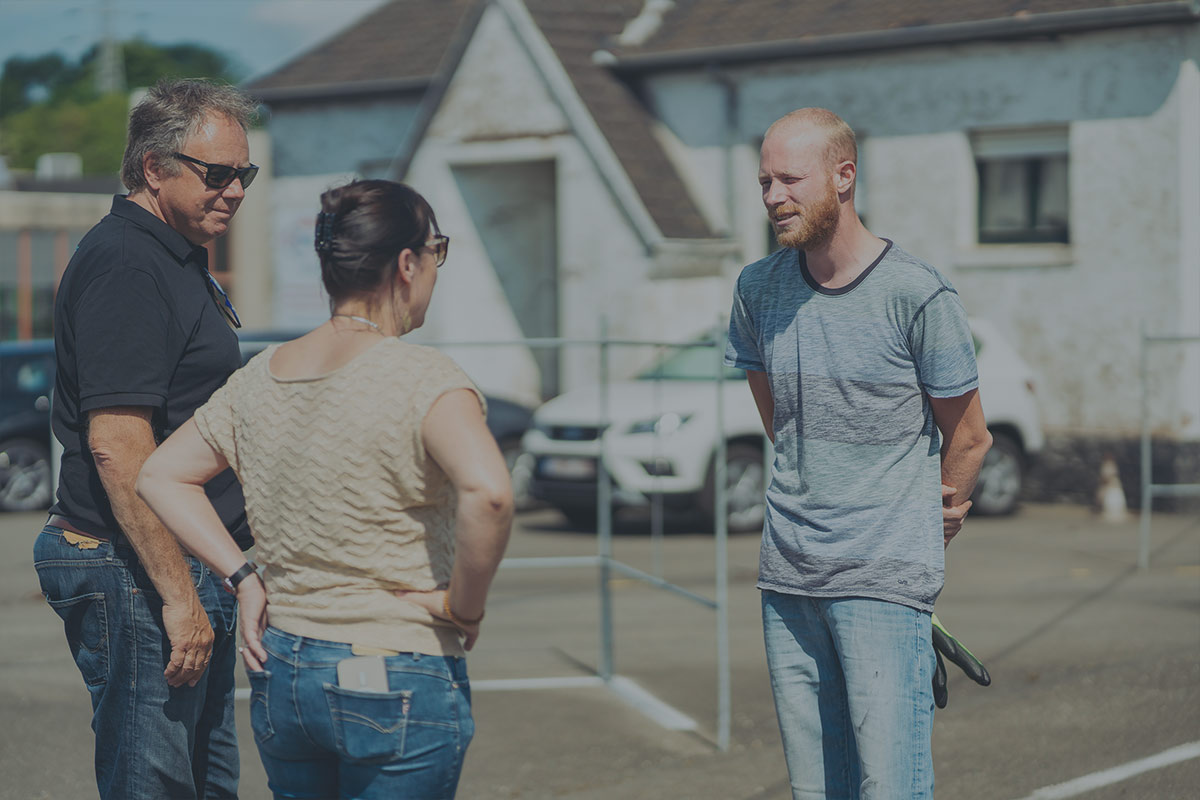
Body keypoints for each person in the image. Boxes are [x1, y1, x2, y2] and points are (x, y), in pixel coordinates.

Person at [137, 178, 514, 800]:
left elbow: (161, 473)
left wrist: (243, 575)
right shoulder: (424, 376)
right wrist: (462, 608)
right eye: (436, 252)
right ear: (406, 263)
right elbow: (491, 494)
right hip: (396, 663)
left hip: (284, 669)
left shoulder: (262, 375)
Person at [725, 108, 993, 799]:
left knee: (889, 788)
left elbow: (969, 436)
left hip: (882, 584)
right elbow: (782, 422)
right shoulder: (757, 290)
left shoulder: (916, 292)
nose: (773, 197)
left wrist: (926, 526)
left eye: (790, 179)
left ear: (844, 177)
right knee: (816, 791)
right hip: (788, 582)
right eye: (764, 182)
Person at [33, 78, 259, 800]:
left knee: (204, 781)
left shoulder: (174, 252)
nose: (235, 192)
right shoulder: (128, 264)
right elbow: (118, 445)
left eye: (244, 175)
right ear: (154, 168)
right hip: (136, 568)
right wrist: (178, 598)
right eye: (217, 174)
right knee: (154, 783)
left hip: (184, 564)